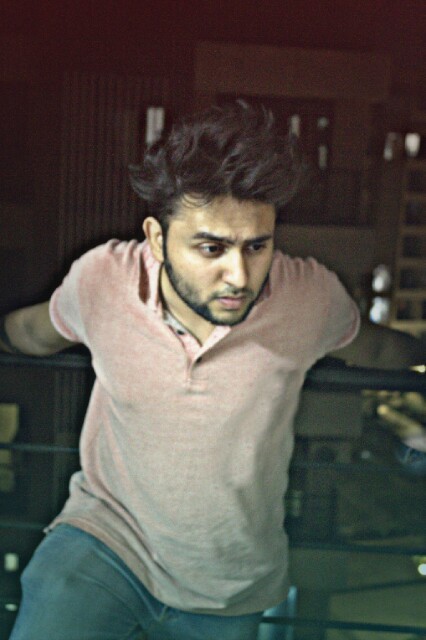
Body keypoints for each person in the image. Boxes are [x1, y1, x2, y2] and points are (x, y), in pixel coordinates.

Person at [1, 102, 425, 640]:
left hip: (228, 583)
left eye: (257, 246)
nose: (239, 276)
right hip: (106, 542)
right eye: (211, 248)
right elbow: (31, 332)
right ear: (157, 239)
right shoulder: (103, 281)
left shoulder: (308, 296)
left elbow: (379, 349)